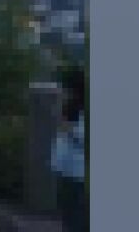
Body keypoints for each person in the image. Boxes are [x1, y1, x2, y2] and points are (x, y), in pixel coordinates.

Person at [52, 66, 88, 232]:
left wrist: (70, 130)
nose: (63, 91)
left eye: (66, 88)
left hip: (80, 173)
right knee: (67, 216)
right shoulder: (69, 106)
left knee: (78, 218)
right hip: (65, 170)